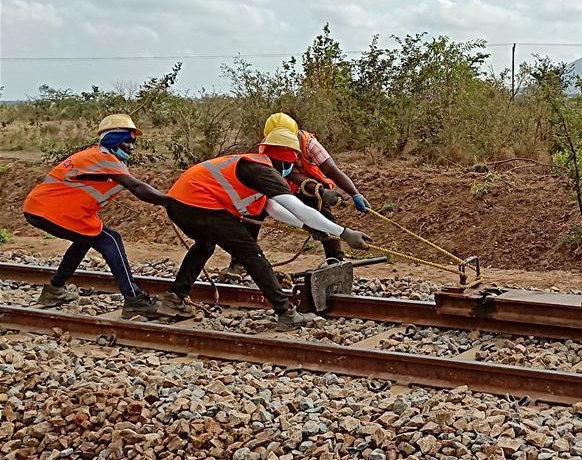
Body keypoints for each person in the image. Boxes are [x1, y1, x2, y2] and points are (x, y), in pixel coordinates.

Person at [162, 128, 372, 330]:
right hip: (199, 204)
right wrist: (345, 233)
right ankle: (286, 313)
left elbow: (272, 208)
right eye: (292, 163)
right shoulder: (264, 172)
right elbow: (297, 207)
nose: (292, 169)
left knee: (204, 246)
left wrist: (306, 226)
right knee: (252, 254)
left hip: (178, 202)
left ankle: (175, 298)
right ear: (286, 158)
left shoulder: (255, 166)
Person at [22, 114, 181, 319]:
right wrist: (170, 201)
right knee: (110, 240)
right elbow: (136, 187)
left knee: (84, 240)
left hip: (49, 210)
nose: (132, 146)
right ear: (113, 139)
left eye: (133, 142)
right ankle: (134, 300)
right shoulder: (101, 158)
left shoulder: (104, 159)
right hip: (50, 210)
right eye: (127, 141)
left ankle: (54, 290)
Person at [222, 112, 370, 275]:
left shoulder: (309, 144)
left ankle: (335, 261)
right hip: (279, 188)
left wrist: (354, 193)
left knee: (324, 218)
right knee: (254, 214)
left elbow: (331, 169)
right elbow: (287, 173)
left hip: (310, 189)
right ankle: (240, 262)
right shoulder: (269, 147)